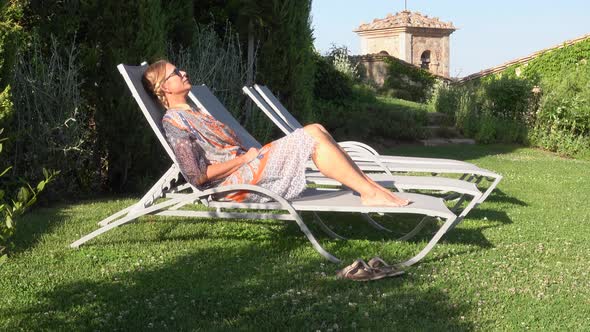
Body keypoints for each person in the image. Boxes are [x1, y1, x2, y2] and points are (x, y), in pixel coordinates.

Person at [142, 60, 410, 207]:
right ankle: (369, 192)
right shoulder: (174, 122)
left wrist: (247, 157)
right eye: (176, 73)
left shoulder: (194, 114)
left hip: (246, 168)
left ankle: (370, 188)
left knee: (315, 129)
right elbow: (198, 176)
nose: (183, 71)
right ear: (165, 88)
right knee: (311, 135)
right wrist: (243, 159)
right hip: (233, 186)